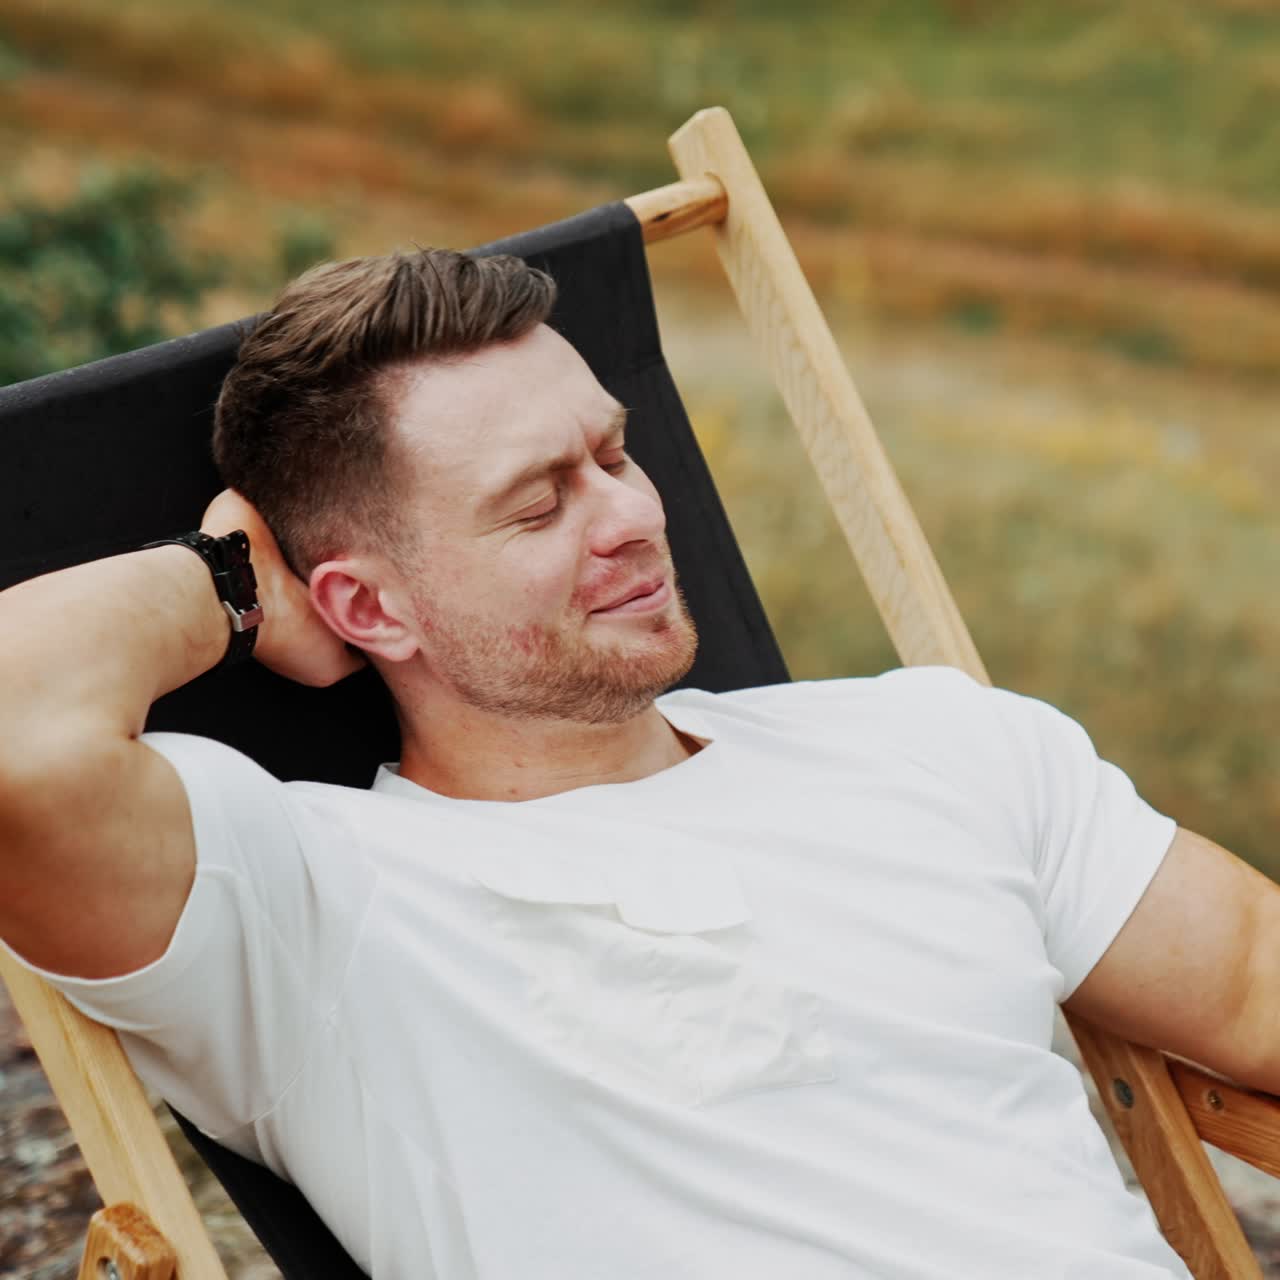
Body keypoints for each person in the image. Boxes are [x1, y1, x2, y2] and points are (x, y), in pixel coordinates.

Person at [0, 249, 1274, 1280]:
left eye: (612, 453)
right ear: (367, 606)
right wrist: (229, 583)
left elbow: (1249, 983)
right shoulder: (303, 901)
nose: (628, 516)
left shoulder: (932, 741)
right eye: (538, 503)